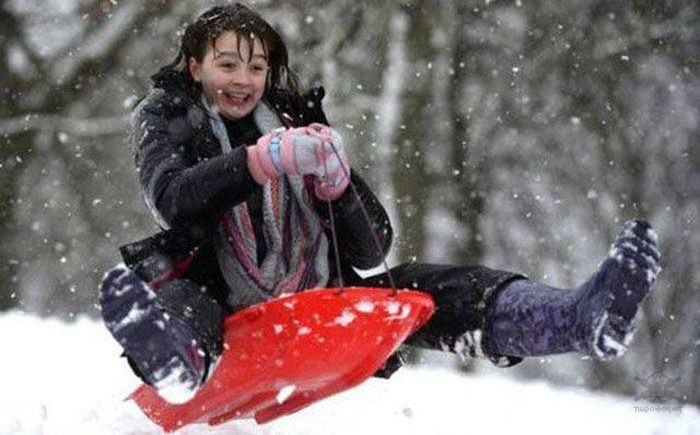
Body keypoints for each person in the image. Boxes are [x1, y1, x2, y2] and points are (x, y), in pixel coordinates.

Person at [99, 3, 661, 404]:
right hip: (223, 308)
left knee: (422, 289)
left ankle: (576, 319)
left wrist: (339, 188)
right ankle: (176, 361)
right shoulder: (169, 114)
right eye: (228, 64)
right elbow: (172, 200)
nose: (244, 79)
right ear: (196, 67)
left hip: (313, 297)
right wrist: (258, 162)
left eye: (257, 66)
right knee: (182, 299)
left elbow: (372, 249)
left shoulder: (296, 119)